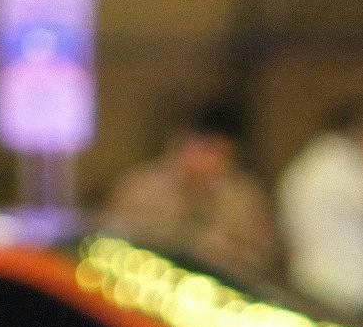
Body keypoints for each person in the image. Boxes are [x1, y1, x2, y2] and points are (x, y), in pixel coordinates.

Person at [97, 103, 280, 283]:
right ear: (179, 144)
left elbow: (262, 260)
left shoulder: (243, 198)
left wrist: (220, 251)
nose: (205, 160)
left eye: (217, 152)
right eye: (201, 148)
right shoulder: (140, 187)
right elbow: (110, 238)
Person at [276, 102, 363, 316]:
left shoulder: (302, 167)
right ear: (361, 131)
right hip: (351, 292)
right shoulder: (349, 165)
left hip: (310, 284)